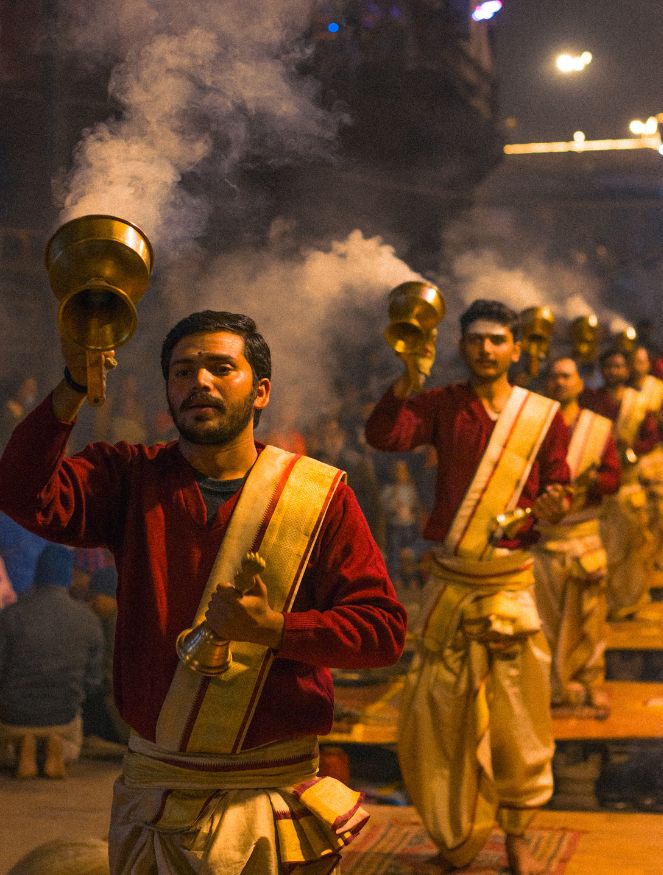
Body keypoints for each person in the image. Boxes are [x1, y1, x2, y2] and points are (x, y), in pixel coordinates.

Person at [0, 309, 406, 874]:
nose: (200, 383)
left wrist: (274, 630)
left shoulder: (317, 496)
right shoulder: (128, 477)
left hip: (273, 797)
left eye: (221, 368)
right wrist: (71, 387)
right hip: (158, 792)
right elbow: (22, 493)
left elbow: (382, 632)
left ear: (260, 391)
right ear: (168, 390)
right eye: (183, 371)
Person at [365, 299, 571, 875]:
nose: (486, 348)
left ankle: (517, 836)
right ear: (462, 345)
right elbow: (384, 435)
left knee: (518, 721)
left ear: (514, 347)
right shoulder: (441, 404)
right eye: (476, 338)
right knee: (437, 716)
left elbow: (560, 484)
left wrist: (555, 504)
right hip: (451, 584)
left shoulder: (542, 415)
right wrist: (407, 379)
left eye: (497, 339)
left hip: (510, 585)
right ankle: (454, 838)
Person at [533, 357, 620, 713]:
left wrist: (590, 482)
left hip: (583, 537)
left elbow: (614, 478)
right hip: (544, 540)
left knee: (588, 619)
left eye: (566, 376)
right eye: (553, 376)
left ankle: (585, 682)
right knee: (543, 623)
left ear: (580, 384)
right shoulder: (533, 424)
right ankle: (544, 687)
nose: (560, 382)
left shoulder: (598, 427)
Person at [0, 543, 104, 778]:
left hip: (14, 717)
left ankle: (19, 748)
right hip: (63, 717)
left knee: (6, 737)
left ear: (38, 574)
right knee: (73, 741)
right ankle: (58, 746)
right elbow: (93, 682)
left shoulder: (11, 615)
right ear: (68, 577)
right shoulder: (88, 619)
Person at [582, 348, 660, 618]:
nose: (614, 371)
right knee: (604, 549)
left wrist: (633, 451)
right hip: (599, 487)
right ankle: (606, 603)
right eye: (609, 366)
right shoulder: (593, 401)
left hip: (628, 485)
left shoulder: (637, 403)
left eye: (619, 366)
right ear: (602, 369)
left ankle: (629, 602)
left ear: (627, 371)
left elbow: (650, 436)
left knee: (631, 549)